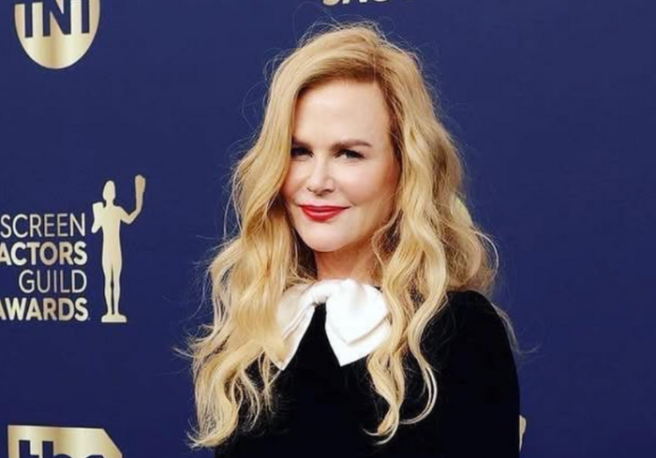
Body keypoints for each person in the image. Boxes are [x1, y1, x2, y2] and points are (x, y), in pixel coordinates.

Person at [183, 19, 525, 457]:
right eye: (299, 151)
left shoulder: (458, 332)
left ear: (404, 168)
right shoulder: (258, 329)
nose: (317, 181)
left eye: (349, 154)